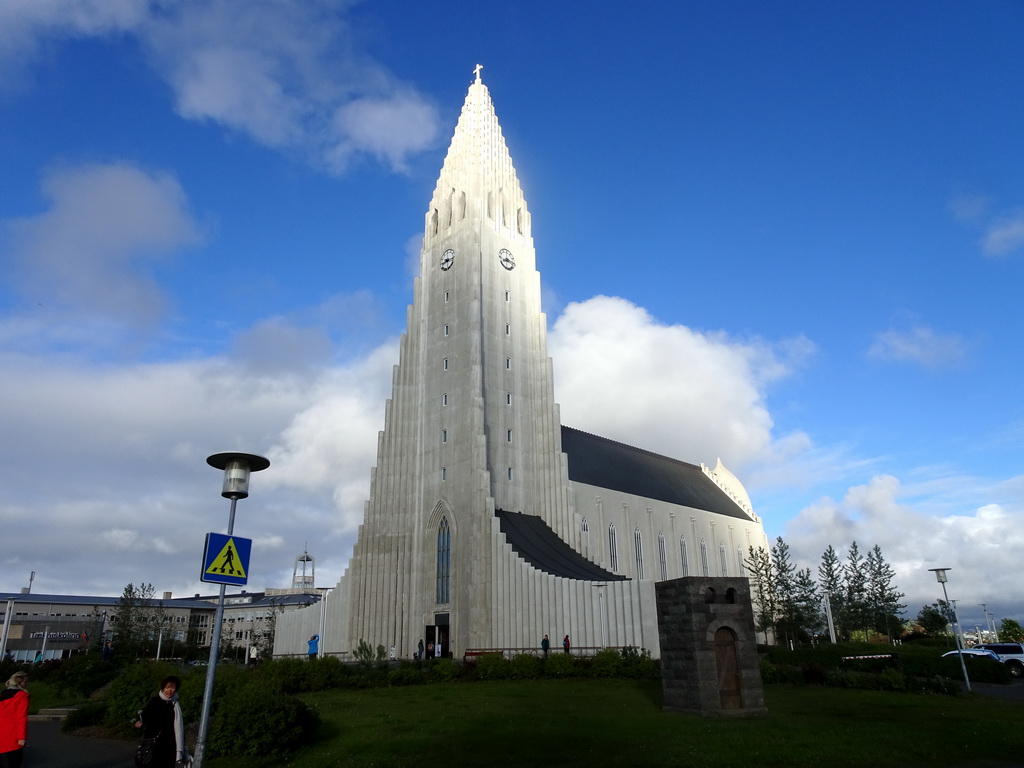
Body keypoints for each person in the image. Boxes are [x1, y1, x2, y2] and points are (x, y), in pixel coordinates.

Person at [138, 675, 188, 768]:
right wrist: (140, 722)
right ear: (163, 688)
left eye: (172, 688)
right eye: (167, 687)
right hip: (155, 742)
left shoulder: (175, 704)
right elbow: (144, 715)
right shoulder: (155, 701)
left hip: (170, 743)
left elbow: (179, 725)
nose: (169, 690)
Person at [0, 672, 29, 768]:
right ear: (21, 682)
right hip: (13, 734)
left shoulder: (2, 695)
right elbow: (22, 717)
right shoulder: (22, 696)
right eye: (26, 681)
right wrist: (22, 737)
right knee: (14, 763)